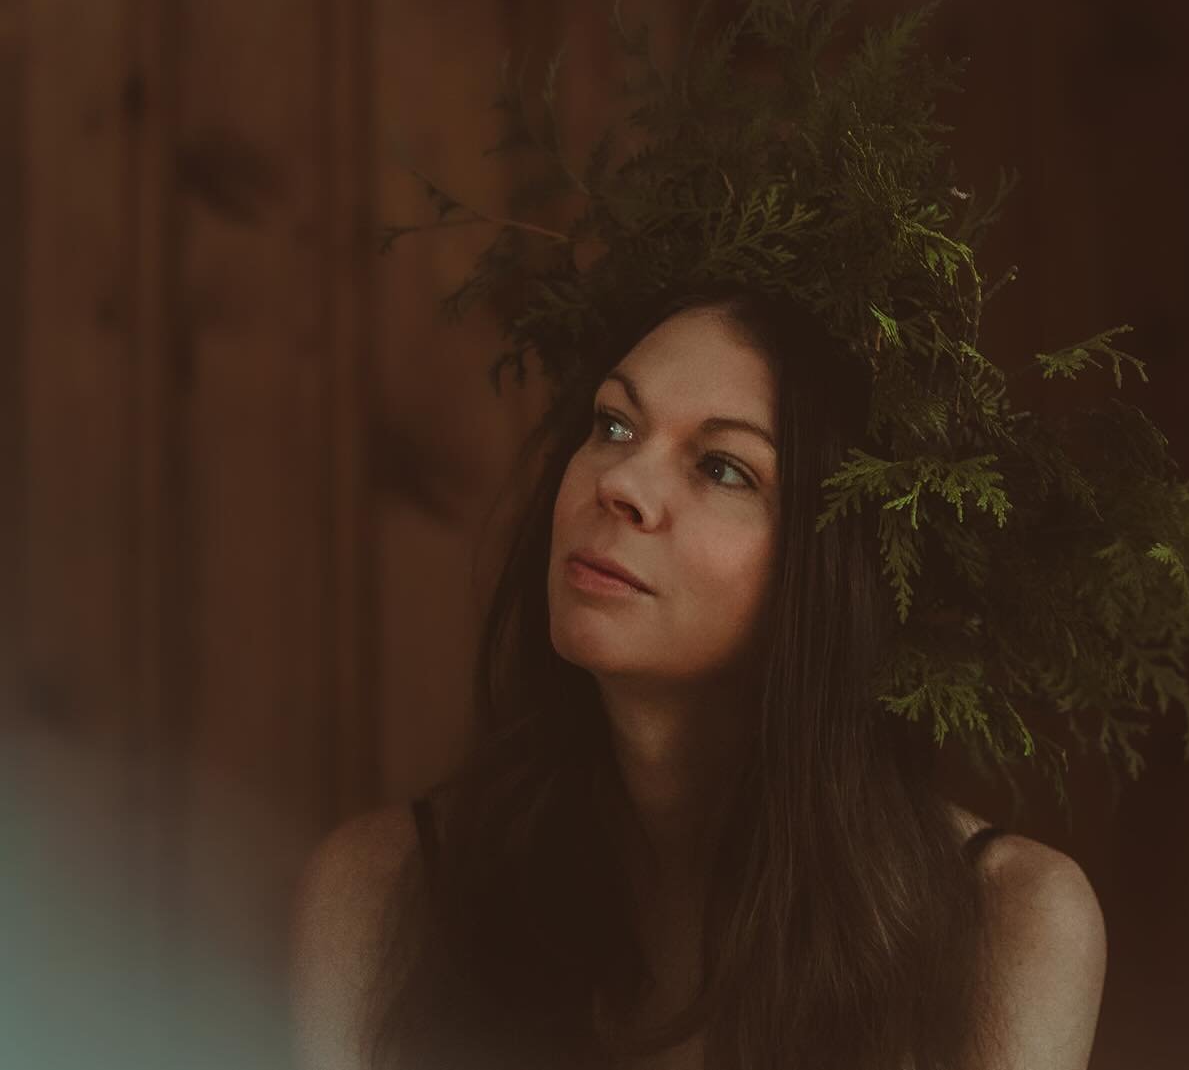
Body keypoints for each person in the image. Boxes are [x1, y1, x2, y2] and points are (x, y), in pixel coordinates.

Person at [289, 281, 1107, 1070]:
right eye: (613, 424)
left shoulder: (1008, 917)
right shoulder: (385, 892)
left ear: (832, 569)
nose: (620, 483)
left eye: (723, 468)